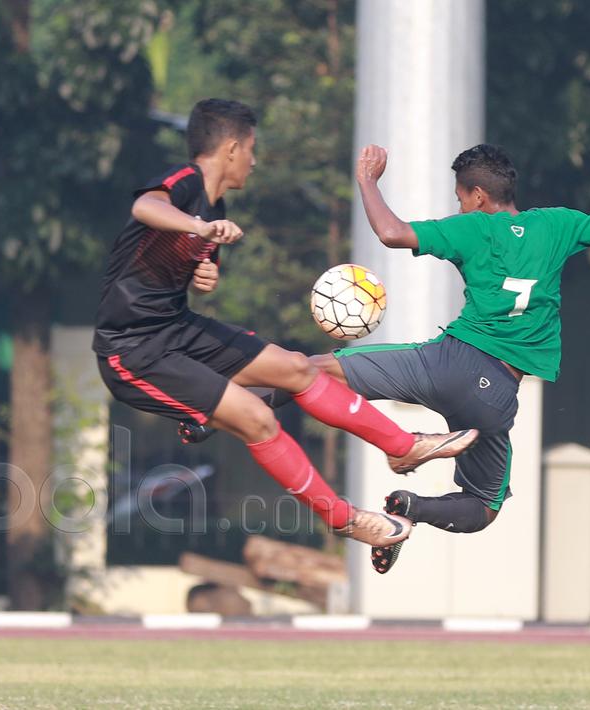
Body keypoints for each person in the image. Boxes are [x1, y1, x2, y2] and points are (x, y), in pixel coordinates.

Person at [92, 98, 478, 550]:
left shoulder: (213, 210)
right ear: (232, 148)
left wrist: (203, 273)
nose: (254, 163)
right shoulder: (186, 181)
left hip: (176, 328)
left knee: (297, 368)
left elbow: (193, 276)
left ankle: (401, 445)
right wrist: (197, 229)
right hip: (133, 351)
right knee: (257, 418)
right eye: (251, 151)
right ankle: (346, 519)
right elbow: (146, 207)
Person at [320, 143, 590, 572]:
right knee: (483, 507)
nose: (460, 205)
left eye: (460, 197)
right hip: (494, 396)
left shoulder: (472, 227)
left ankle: (223, 402)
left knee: (318, 370)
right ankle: (408, 508)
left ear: (477, 196)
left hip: (449, 363)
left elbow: (392, 233)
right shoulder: (558, 224)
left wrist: (366, 180)